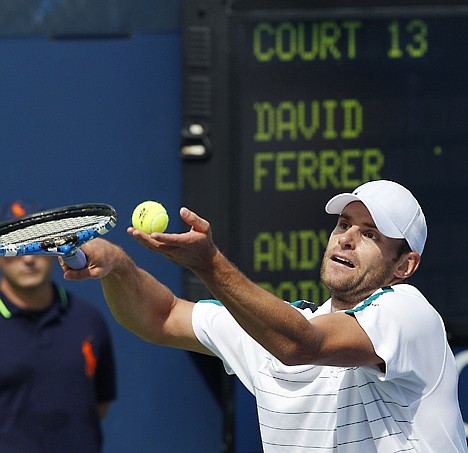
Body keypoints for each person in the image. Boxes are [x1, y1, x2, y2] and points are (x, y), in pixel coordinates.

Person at [60, 180, 467, 452]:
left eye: (371, 235)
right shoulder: (272, 329)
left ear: (404, 266)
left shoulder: (410, 315)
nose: (346, 238)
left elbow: (303, 344)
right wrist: (117, 266)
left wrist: (210, 264)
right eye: (344, 224)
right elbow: (160, 316)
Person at [0, 200, 117, 453]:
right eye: (17, 248)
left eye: (38, 244)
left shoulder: (90, 319)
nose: (28, 258)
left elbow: (100, 405)